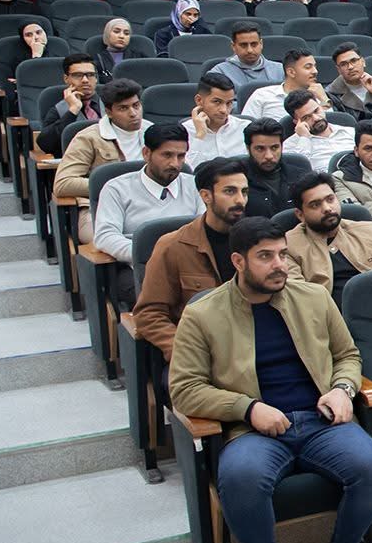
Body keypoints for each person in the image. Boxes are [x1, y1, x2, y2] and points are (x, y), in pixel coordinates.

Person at [168, 216, 372, 543]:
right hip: (253, 429)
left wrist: (342, 389)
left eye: (283, 255)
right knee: (241, 478)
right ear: (238, 261)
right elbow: (184, 390)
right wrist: (247, 408)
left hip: (320, 419)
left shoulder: (313, 297)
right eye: (265, 257)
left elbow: (347, 355)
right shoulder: (202, 314)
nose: (279, 265)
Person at [133, 157, 249, 361]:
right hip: (202, 351)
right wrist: (184, 351)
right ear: (206, 196)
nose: (240, 200)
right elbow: (149, 314)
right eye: (230, 191)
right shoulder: (173, 246)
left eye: (244, 192)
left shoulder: (258, 242)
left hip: (253, 344)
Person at [92, 122, 199, 305]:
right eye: (167, 155)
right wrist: (149, 256)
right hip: (138, 267)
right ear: (146, 153)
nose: (175, 163)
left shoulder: (195, 186)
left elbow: (205, 228)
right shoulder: (116, 189)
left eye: (181, 156)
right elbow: (105, 236)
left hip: (190, 267)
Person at [283, 171, 372, 303]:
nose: (327, 208)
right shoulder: (288, 247)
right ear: (300, 215)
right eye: (315, 205)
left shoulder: (370, 231)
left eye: (330, 199)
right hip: (328, 313)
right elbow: (298, 297)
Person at [56, 79, 145, 236]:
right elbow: (63, 183)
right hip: (101, 207)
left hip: (149, 203)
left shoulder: (152, 132)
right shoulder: (89, 138)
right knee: (104, 239)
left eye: (136, 105)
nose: (133, 113)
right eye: (123, 108)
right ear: (108, 112)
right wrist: (117, 187)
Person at [241, 119, 310, 220]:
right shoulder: (238, 183)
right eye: (260, 149)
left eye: (274, 148)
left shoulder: (302, 177)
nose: (269, 156)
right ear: (248, 149)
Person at [35, 55, 102, 156]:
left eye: (90, 75)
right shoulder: (58, 110)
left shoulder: (112, 102)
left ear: (96, 78)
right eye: (78, 75)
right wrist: (73, 111)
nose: (85, 80)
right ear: (66, 79)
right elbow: (45, 145)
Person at [243, 48, 326, 122]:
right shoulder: (262, 95)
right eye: (308, 67)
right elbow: (246, 126)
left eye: (315, 66)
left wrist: (324, 99)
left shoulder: (318, 96)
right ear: (291, 72)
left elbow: (330, 127)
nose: (315, 71)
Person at [282, 89, 354, 169]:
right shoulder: (289, 146)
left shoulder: (350, 132)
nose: (316, 118)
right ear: (297, 122)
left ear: (321, 107)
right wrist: (304, 138)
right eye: (306, 117)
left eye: (316, 111)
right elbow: (299, 170)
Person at [209, 23, 283, 93]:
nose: (249, 50)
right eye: (243, 45)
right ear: (233, 46)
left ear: (261, 44)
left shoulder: (280, 70)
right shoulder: (220, 72)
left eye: (254, 44)